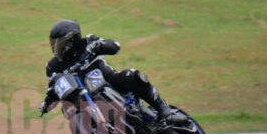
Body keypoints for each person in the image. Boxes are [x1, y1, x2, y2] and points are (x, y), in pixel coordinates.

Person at [39, 19, 170, 122]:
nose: (57, 48)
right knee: (67, 108)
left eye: (60, 44)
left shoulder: (88, 42)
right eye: (54, 44)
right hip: (82, 96)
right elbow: (56, 86)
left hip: (108, 79)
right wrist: (47, 102)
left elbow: (115, 47)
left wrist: (99, 45)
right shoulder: (53, 65)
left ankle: (161, 105)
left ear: (72, 39)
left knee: (133, 75)